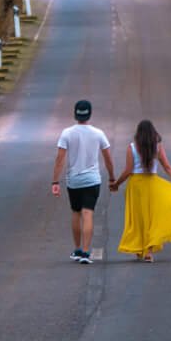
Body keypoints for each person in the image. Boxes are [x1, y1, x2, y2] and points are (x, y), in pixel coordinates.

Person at [111, 118, 171, 261]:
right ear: (153, 133)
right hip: (152, 184)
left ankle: (139, 249)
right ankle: (148, 252)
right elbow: (167, 167)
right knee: (151, 217)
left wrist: (117, 183)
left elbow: (128, 170)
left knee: (137, 218)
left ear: (138, 133)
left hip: (135, 185)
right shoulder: (157, 147)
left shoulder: (132, 147)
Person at [52, 99, 116, 263]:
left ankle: (77, 249)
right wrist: (112, 177)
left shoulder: (67, 133)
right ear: (90, 114)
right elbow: (108, 158)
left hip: (74, 180)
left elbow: (59, 159)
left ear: (75, 114)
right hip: (92, 180)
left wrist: (55, 182)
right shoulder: (98, 133)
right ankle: (87, 252)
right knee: (88, 213)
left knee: (76, 212)